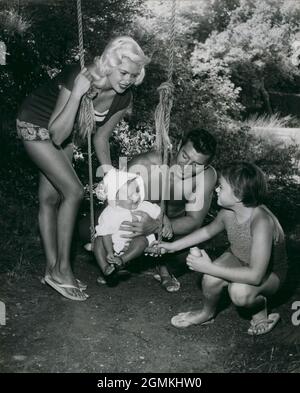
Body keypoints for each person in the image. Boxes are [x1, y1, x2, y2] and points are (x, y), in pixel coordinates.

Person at [16, 36, 149, 301]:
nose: (126, 80)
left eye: (133, 76)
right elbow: (55, 133)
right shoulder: (82, 75)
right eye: (123, 72)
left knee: (51, 197)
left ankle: (53, 270)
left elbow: (100, 137)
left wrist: (111, 174)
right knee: (74, 191)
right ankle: (62, 269)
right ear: (110, 64)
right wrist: (77, 93)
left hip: (63, 134)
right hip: (37, 123)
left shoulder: (124, 97)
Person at [156, 162, 288, 336]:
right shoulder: (227, 212)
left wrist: (208, 267)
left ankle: (260, 311)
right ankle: (207, 313)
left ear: (238, 195)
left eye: (221, 187)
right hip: (239, 257)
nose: (217, 190)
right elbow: (206, 232)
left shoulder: (262, 221)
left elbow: (256, 276)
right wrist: (171, 247)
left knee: (239, 292)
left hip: (269, 273)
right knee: (210, 279)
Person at [119, 128, 218, 291]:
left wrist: (157, 227)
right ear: (178, 145)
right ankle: (128, 258)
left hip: (171, 232)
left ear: (206, 167)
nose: (186, 167)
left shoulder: (207, 176)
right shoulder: (145, 163)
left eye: (196, 165)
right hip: (133, 224)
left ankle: (158, 265)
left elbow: (194, 221)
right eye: (185, 156)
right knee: (88, 229)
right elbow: (116, 202)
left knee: (191, 256)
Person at [93, 168, 171, 280]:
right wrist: (109, 251)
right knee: (98, 240)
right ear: (116, 200)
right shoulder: (110, 212)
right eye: (130, 196)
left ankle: (122, 259)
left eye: (137, 191)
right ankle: (105, 267)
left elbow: (160, 213)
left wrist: (167, 225)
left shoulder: (144, 205)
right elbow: (105, 233)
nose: (136, 197)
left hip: (136, 241)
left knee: (142, 241)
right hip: (112, 241)